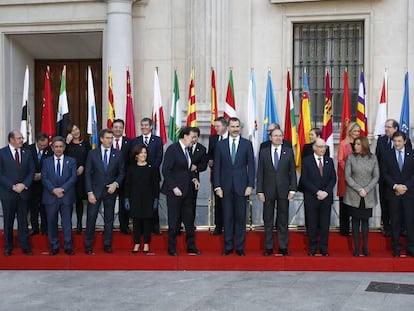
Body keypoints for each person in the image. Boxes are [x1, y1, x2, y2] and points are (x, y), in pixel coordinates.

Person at [214, 117, 255, 256]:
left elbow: (252, 166)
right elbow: (217, 167)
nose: (235, 129)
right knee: (227, 217)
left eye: (237, 126)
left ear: (240, 128)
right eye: (233, 126)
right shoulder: (220, 145)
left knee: (240, 218)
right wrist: (217, 186)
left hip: (242, 187)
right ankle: (228, 247)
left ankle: (240, 247)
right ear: (228, 128)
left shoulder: (247, 144)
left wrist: (250, 185)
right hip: (225, 187)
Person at [161, 126, 201, 256]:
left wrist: (194, 179)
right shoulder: (173, 149)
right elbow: (166, 170)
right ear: (184, 136)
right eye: (192, 137)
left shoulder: (188, 150)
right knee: (174, 220)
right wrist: (173, 187)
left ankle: (191, 246)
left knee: (189, 220)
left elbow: (187, 170)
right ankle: (172, 248)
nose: (194, 140)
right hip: (175, 192)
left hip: (187, 190)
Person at [84, 129, 125, 254]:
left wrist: (116, 184)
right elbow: (87, 174)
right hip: (95, 192)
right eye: (107, 138)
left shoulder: (118, 154)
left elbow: (122, 172)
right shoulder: (92, 153)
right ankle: (88, 245)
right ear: (101, 139)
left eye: (111, 138)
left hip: (110, 192)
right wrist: (89, 192)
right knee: (91, 218)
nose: (110, 141)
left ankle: (107, 244)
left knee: (109, 219)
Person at [257, 128, 297, 256]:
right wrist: (260, 191)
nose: (278, 138)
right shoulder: (263, 152)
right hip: (267, 190)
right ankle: (268, 247)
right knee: (268, 219)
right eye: (275, 136)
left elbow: (292, 173)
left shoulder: (289, 151)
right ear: (270, 137)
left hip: (284, 191)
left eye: (280, 136)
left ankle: (283, 246)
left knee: (283, 220)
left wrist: (292, 190)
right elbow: (260, 173)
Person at [0, 130, 35, 256]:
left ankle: (25, 245)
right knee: (8, 221)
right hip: (8, 193)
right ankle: (8, 246)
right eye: (19, 138)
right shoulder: (2, 153)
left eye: (22, 138)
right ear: (11, 140)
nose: (22, 140)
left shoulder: (27, 153)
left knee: (23, 220)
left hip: (23, 192)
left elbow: (31, 171)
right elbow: (1, 174)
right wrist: (12, 186)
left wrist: (24, 185)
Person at [375, 119, 412, 237]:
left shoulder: (406, 141)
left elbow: (408, 164)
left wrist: (401, 185)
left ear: (396, 128)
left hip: (402, 183)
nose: (386, 129)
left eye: (389, 127)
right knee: (385, 205)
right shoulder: (381, 140)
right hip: (385, 180)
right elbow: (378, 159)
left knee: (402, 209)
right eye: (385, 127)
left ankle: (403, 228)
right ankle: (386, 227)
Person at [41, 136, 77, 255]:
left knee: (67, 222)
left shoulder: (71, 161)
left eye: (61, 146)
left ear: (64, 147)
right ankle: (54, 246)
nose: (58, 149)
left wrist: (63, 189)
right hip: (50, 197)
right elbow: (44, 178)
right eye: (56, 147)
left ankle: (68, 246)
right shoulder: (46, 161)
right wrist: (53, 190)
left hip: (66, 196)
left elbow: (73, 177)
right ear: (52, 148)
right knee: (52, 222)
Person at [380, 131, 414, 257]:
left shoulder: (412, 154)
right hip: (393, 193)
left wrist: (405, 186)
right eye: (395, 141)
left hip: (409, 193)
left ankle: (410, 247)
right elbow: (384, 173)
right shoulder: (386, 155)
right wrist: (395, 186)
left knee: (410, 222)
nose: (397, 143)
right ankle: (396, 248)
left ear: (404, 141)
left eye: (399, 141)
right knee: (395, 221)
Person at [344, 136, 379, 257]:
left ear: (364, 145)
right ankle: (356, 248)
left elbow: (376, 176)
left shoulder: (373, 158)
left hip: (368, 195)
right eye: (355, 144)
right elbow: (347, 176)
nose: (356, 146)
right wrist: (358, 188)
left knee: (365, 222)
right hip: (354, 194)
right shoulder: (350, 158)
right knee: (355, 221)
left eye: (358, 144)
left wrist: (367, 189)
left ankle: (365, 247)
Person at [301, 138, 336, 256]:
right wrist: (317, 192)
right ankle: (312, 247)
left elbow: (333, 179)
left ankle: (324, 248)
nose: (322, 149)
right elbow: (304, 180)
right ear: (314, 147)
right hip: (312, 197)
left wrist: (326, 192)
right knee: (312, 224)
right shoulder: (306, 161)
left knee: (325, 224)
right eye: (320, 147)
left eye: (324, 147)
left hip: (326, 198)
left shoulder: (329, 161)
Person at [124, 144, 160, 253]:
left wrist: (156, 199)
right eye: (141, 153)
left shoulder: (152, 167)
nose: (143, 155)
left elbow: (155, 185)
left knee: (147, 223)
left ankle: (146, 244)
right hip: (135, 199)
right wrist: (126, 198)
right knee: (136, 223)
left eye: (145, 153)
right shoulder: (131, 168)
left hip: (148, 199)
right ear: (136, 155)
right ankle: (136, 243)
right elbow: (128, 185)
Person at [131, 118, 163, 235]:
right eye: (142, 125)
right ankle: (141, 230)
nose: (143, 127)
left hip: (153, 176)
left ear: (151, 127)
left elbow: (159, 157)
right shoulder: (135, 140)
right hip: (138, 177)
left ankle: (155, 226)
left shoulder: (158, 140)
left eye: (146, 125)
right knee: (139, 204)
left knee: (153, 202)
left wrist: (150, 170)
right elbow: (133, 157)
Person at [65, 123, 91, 235]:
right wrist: (66, 143)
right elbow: (61, 156)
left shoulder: (85, 143)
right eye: (73, 130)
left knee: (81, 198)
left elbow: (90, 158)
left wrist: (83, 166)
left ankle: (81, 224)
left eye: (77, 129)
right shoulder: (67, 145)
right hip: (70, 176)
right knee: (72, 200)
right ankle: (70, 224)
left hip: (83, 177)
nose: (76, 132)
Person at [337, 122, 360, 236]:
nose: (356, 133)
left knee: (356, 205)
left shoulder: (360, 144)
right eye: (354, 131)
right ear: (349, 131)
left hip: (358, 179)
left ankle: (355, 229)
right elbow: (340, 160)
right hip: (345, 178)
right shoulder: (343, 144)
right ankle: (344, 230)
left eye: (358, 131)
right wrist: (349, 171)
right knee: (344, 205)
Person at [27, 132, 52, 236]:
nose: (43, 147)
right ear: (37, 142)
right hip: (31, 183)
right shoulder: (28, 149)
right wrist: (32, 175)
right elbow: (26, 165)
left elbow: (51, 165)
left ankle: (45, 228)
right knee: (33, 207)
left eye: (45, 145)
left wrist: (42, 175)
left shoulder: (50, 150)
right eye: (41, 145)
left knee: (44, 207)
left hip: (44, 183)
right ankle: (34, 227)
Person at [207, 117, 229, 235]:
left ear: (225, 126)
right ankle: (218, 226)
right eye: (215, 126)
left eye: (218, 126)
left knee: (229, 202)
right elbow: (209, 153)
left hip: (229, 176)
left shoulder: (231, 139)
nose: (215, 129)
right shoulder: (213, 139)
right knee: (218, 202)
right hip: (217, 175)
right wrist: (210, 159)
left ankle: (229, 226)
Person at [111, 119, 131, 235]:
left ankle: (124, 225)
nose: (118, 129)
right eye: (116, 127)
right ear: (112, 128)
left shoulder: (129, 142)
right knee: (110, 203)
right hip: (110, 179)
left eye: (120, 127)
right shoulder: (107, 141)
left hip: (125, 178)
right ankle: (108, 225)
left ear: (123, 129)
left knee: (124, 203)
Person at [188, 127, 208, 225]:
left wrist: (196, 168)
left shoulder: (202, 149)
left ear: (198, 137)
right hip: (182, 178)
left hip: (194, 179)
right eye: (191, 136)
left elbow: (204, 166)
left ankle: (190, 224)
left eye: (195, 137)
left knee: (192, 202)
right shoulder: (184, 146)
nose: (193, 139)